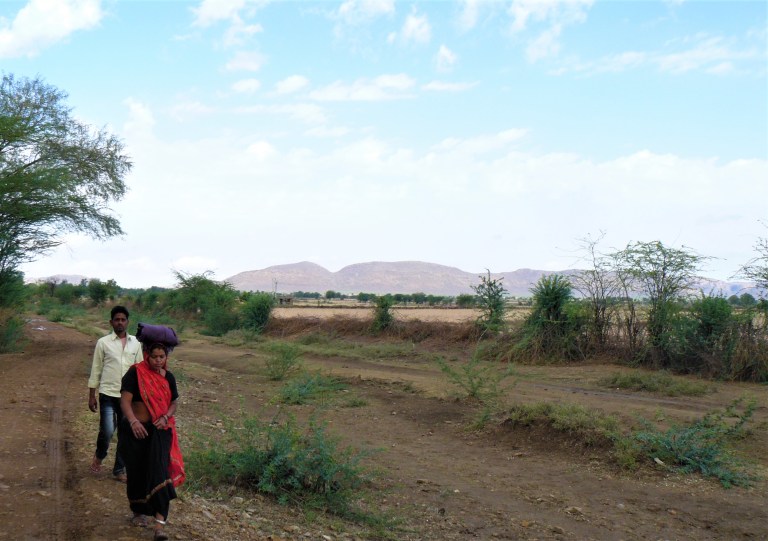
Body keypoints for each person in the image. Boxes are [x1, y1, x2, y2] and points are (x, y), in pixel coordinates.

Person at [119, 342, 185, 540]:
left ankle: (159, 526)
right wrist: (133, 422)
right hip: (136, 432)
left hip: (160, 432)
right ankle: (138, 512)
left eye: (162, 357)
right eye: (154, 356)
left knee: (160, 473)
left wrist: (165, 416)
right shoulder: (135, 374)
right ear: (147, 356)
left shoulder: (169, 377)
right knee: (137, 472)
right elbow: (125, 401)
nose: (158, 360)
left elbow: (173, 402)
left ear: (166, 357)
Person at [88, 305, 143, 481]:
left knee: (125, 434)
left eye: (123, 319)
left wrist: (142, 396)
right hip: (107, 394)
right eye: (117, 319)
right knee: (108, 430)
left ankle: (119, 469)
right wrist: (91, 395)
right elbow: (96, 369)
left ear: (128, 322)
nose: (120, 322)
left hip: (128, 397)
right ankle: (100, 454)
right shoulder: (103, 343)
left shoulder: (136, 343)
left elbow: (140, 370)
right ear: (111, 322)